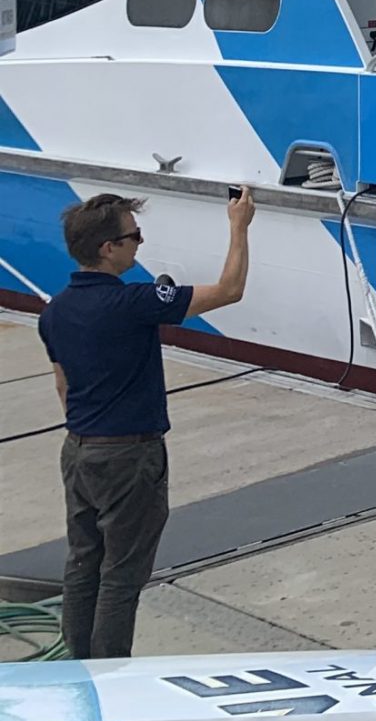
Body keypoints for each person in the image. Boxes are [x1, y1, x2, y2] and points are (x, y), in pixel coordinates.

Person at [39, 188, 254, 660]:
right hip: (130, 455)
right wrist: (239, 226)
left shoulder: (54, 312)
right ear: (107, 248)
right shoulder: (134, 303)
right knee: (122, 575)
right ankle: (111, 677)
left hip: (78, 450)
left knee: (83, 564)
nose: (139, 243)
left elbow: (63, 387)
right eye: (133, 236)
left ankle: (76, 669)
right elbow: (230, 290)